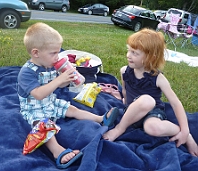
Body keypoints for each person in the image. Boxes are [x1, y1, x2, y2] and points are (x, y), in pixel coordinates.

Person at [17, 22, 119, 169]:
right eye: (53, 53)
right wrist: (59, 79)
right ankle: (57, 151)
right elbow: (38, 94)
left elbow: (59, 86)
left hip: (50, 101)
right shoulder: (26, 72)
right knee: (44, 126)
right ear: (36, 53)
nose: (57, 57)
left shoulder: (50, 65)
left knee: (72, 109)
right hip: (34, 108)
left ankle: (100, 119)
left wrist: (69, 79)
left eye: (58, 52)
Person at [103, 28, 198, 157]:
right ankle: (120, 128)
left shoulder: (158, 78)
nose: (128, 55)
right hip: (131, 113)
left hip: (152, 113)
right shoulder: (124, 71)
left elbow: (175, 104)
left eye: (135, 53)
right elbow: (126, 91)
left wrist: (185, 130)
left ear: (150, 57)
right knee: (143, 102)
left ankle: (186, 135)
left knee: (152, 125)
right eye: (129, 50)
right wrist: (122, 98)